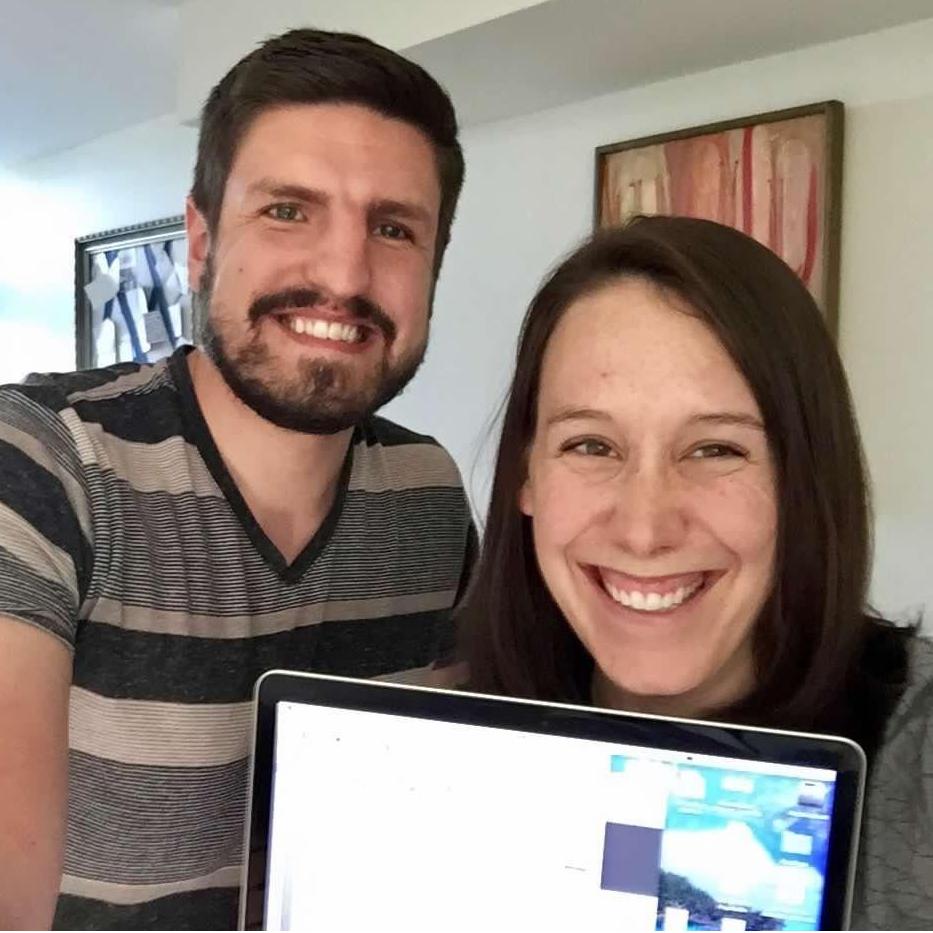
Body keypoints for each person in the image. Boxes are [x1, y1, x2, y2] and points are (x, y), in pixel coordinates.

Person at [0, 28, 476, 931]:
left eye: (393, 227)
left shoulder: (428, 495)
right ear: (200, 237)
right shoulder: (44, 462)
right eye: (288, 210)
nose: (342, 274)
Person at [465, 215, 932, 930]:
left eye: (715, 449)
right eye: (590, 444)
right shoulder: (425, 746)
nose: (644, 528)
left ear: (803, 478)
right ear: (525, 478)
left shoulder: (916, 759)